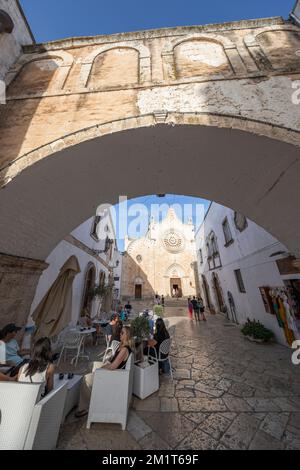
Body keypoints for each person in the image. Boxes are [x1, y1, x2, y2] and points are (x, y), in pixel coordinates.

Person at [75, 325, 133, 418]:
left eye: (122, 333)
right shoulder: (121, 345)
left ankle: (86, 407)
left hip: (113, 376)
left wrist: (102, 368)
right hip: (111, 371)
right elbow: (113, 360)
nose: (120, 334)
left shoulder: (125, 349)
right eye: (120, 332)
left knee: (86, 379)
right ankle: (88, 393)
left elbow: (113, 366)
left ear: (127, 335)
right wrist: (107, 361)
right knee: (92, 364)